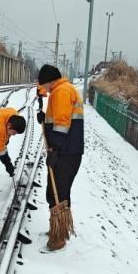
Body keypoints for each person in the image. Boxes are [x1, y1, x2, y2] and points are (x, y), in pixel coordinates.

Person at [38, 64, 85, 251]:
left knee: (59, 194)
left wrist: (54, 149)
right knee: (56, 191)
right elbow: (57, 118)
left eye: (44, 85)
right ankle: (57, 230)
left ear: (50, 81)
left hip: (65, 152)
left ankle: (59, 237)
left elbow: (63, 123)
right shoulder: (62, 90)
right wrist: (45, 118)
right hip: (67, 151)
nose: (45, 90)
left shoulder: (61, 91)